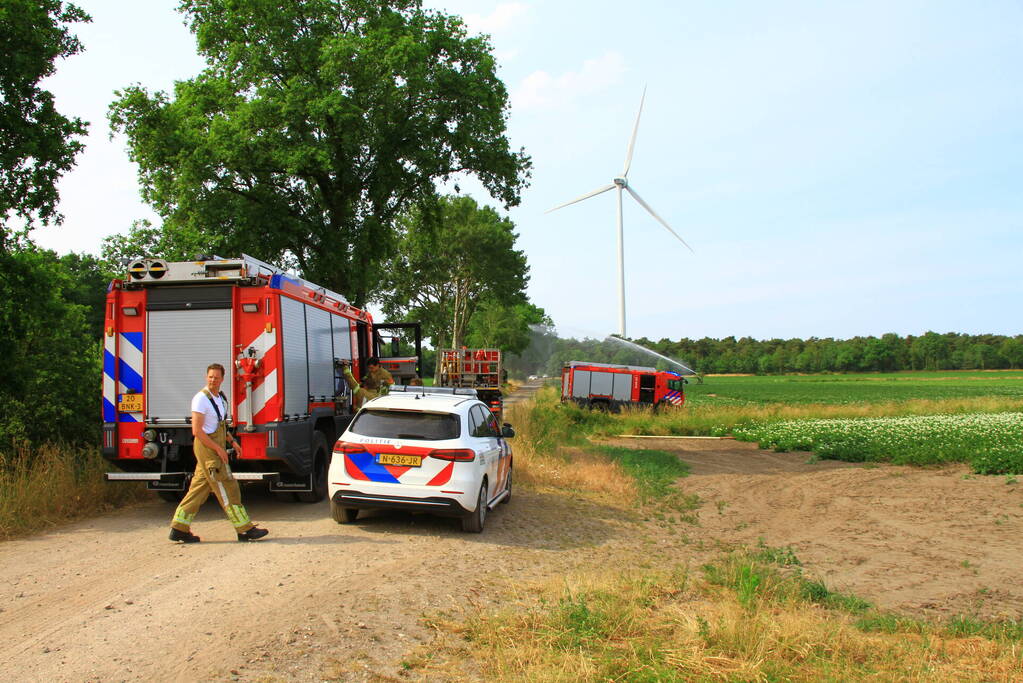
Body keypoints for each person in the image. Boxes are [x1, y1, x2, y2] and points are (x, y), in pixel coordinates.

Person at [169, 363, 269, 543]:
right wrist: (218, 449)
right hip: (207, 448)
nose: (213, 380)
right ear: (206, 377)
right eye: (210, 377)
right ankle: (244, 529)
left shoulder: (220, 398)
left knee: (199, 488)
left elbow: (220, 425)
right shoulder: (200, 399)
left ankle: (179, 528)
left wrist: (232, 442)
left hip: (214, 446)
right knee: (227, 486)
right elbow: (197, 431)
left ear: (222, 379)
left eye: (216, 377)